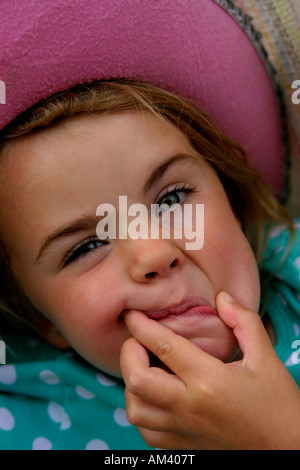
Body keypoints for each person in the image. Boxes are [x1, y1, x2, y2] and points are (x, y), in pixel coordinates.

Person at [0, 79, 299, 450]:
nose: (154, 254)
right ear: (40, 317)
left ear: (233, 203)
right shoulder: (29, 422)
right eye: (87, 246)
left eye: (171, 199)